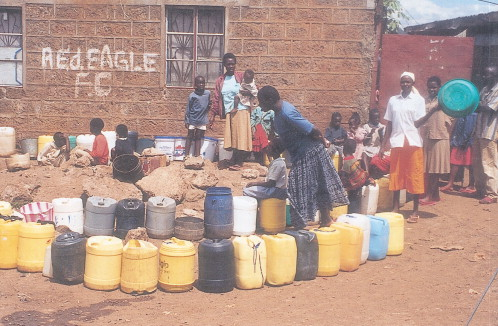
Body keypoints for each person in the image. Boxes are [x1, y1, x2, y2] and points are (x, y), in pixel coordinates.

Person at [257, 86, 349, 229]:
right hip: (301, 154)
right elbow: (289, 136)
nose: (260, 104)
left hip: (310, 152)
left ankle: (300, 226)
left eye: (261, 101)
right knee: (318, 185)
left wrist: (323, 141)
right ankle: (324, 220)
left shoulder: (287, 113)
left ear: (269, 100)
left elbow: (312, 129)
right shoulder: (278, 114)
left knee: (296, 187)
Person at [380, 72, 439, 223]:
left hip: (413, 143)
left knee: (415, 176)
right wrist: (382, 146)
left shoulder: (418, 100)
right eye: (403, 82)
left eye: (408, 82)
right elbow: (390, 124)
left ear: (412, 83)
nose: (405, 84)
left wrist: (431, 112)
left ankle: (414, 211)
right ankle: (395, 208)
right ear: (400, 83)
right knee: (396, 175)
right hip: (398, 142)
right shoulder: (393, 100)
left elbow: (418, 123)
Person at [210, 53, 252, 170]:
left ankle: (239, 162)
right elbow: (217, 97)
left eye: (233, 64)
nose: (231, 66)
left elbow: (253, 88)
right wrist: (213, 114)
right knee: (233, 137)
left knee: (240, 136)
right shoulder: (220, 80)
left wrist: (247, 94)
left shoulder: (240, 76)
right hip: (229, 111)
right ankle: (234, 159)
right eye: (228, 64)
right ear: (224, 65)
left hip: (242, 110)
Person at [419, 76, 453, 205]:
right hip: (428, 136)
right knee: (429, 168)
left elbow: (455, 114)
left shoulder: (445, 100)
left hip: (440, 136)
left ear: (440, 87)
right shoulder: (426, 100)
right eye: (429, 87)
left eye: (434, 87)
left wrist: (447, 123)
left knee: (435, 169)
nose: (431, 89)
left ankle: (429, 196)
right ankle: (435, 195)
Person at [473, 64, 498, 204]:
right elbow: (478, 107)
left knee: (489, 163)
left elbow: (489, 108)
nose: (485, 77)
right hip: (479, 131)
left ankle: (492, 194)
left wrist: (471, 104)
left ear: (495, 76)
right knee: (477, 163)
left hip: (489, 132)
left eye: (488, 74)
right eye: (484, 74)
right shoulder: (484, 90)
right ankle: (481, 190)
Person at [440, 112, 477, 193]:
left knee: (466, 163)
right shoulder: (464, 112)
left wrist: (463, 141)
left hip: (464, 142)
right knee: (456, 162)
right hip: (460, 140)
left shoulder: (470, 113)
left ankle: (470, 185)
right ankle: (452, 184)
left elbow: (468, 128)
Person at [339, 139, 375, 213]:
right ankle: (356, 212)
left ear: (344, 150)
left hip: (354, 184)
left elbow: (344, 176)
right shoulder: (353, 159)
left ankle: (353, 213)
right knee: (357, 198)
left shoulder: (346, 162)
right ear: (354, 150)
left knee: (353, 200)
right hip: (360, 181)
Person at [185, 76, 211, 158]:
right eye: (199, 83)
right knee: (190, 136)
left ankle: (197, 155)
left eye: (203, 83)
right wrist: (187, 120)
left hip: (202, 119)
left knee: (198, 137)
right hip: (192, 119)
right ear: (195, 85)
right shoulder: (192, 95)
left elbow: (208, 103)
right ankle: (186, 155)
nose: (201, 84)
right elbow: (188, 108)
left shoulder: (207, 93)